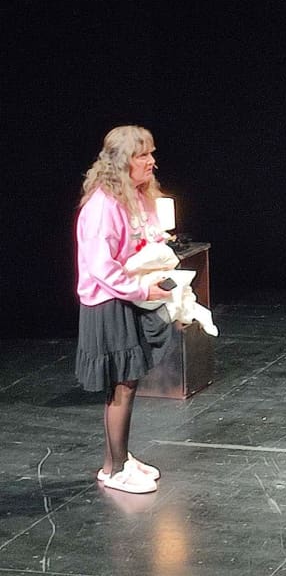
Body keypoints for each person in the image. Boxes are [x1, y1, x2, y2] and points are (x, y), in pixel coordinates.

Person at [75, 125, 174, 494]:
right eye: (142, 155)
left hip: (127, 295)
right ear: (122, 162)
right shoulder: (102, 206)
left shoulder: (136, 196)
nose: (151, 161)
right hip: (108, 301)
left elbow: (143, 238)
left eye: (151, 153)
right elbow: (101, 266)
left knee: (128, 381)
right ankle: (115, 469)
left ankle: (118, 459)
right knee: (122, 383)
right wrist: (142, 288)